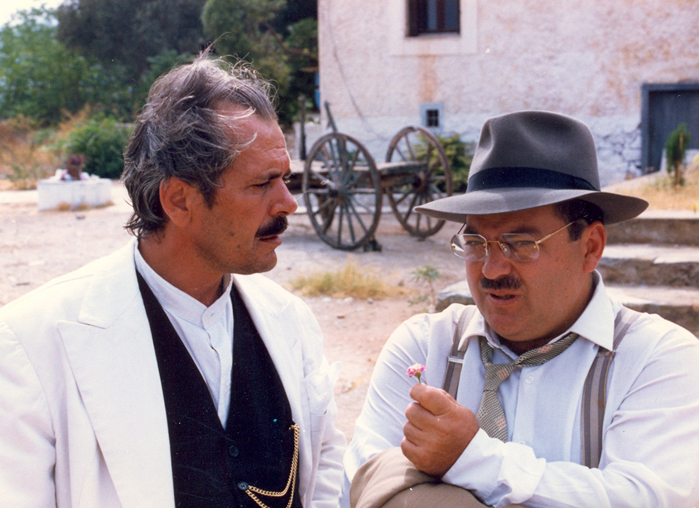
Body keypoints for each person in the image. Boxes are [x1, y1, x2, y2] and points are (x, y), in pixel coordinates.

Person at [0, 54, 345, 508]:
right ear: (179, 200)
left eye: (286, 179)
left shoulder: (290, 320)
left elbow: (324, 471)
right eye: (262, 184)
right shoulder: (34, 344)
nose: (288, 203)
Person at [341, 111, 699, 507]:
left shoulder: (657, 358)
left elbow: (649, 498)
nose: (492, 270)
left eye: (521, 244)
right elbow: (365, 484)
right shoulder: (424, 347)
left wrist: (471, 460)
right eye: (475, 243)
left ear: (591, 246)